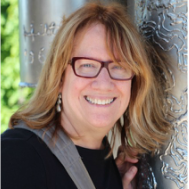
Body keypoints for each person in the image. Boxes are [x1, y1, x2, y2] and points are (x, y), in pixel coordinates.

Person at [0, 2, 171, 189]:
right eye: (87, 65)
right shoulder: (18, 156)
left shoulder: (113, 169)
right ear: (59, 78)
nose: (104, 83)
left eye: (119, 66)